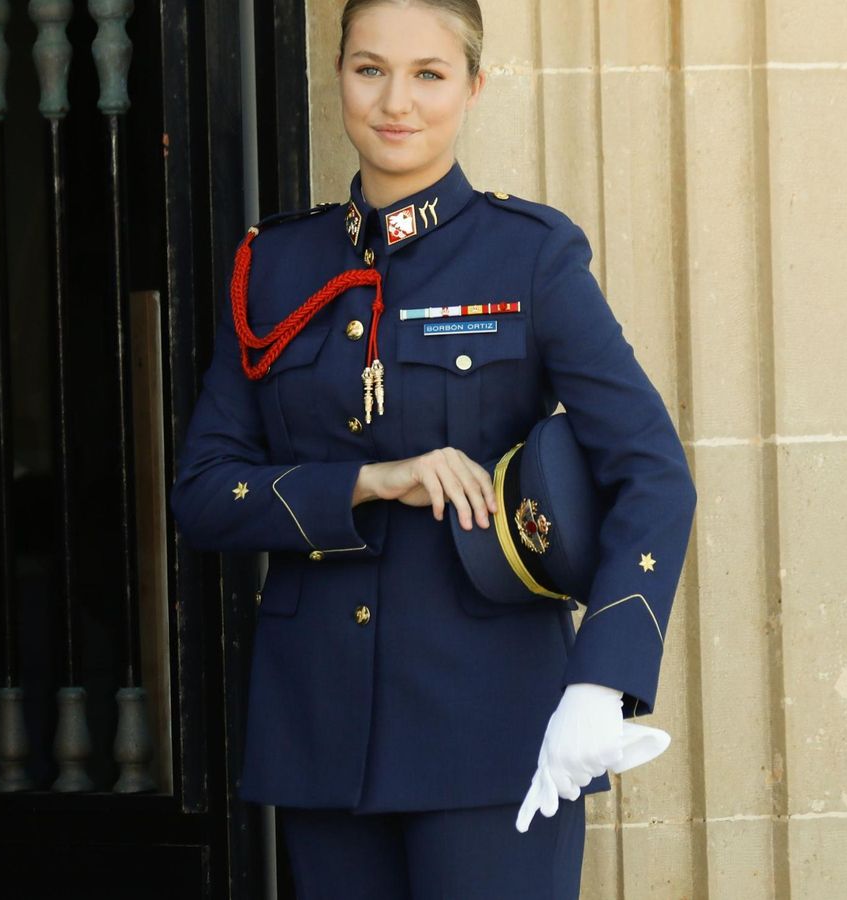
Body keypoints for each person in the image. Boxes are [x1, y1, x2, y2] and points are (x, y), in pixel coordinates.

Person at [169, 0, 697, 896]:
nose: (395, 103)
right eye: (370, 69)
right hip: (322, 731)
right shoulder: (275, 268)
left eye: (429, 74)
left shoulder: (527, 257)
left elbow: (653, 472)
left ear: (473, 85)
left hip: (493, 728)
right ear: (337, 76)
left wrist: (601, 683)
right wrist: (372, 481)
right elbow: (204, 493)